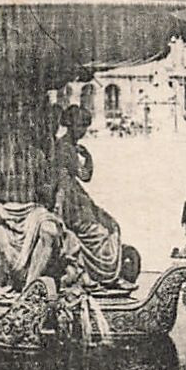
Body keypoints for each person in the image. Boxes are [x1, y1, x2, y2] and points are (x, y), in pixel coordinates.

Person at [52, 105, 126, 288]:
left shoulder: (71, 146)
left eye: (85, 126)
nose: (83, 131)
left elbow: (85, 176)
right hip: (70, 200)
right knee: (103, 232)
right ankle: (105, 277)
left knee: (111, 225)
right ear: (70, 125)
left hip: (77, 197)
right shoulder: (64, 147)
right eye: (80, 126)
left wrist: (88, 158)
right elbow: (77, 177)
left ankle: (104, 275)